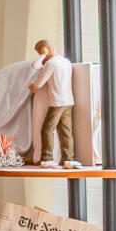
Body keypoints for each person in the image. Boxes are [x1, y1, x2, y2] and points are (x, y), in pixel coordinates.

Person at [29, 39, 78, 167]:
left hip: (57, 102)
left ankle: (46, 158)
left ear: (45, 49)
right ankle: (68, 158)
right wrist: (44, 55)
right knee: (65, 131)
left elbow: (38, 83)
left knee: (47, 129)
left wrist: (33, 86)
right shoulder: (66, 62)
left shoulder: (51, 64)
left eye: (39, 52)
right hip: (68, 100)